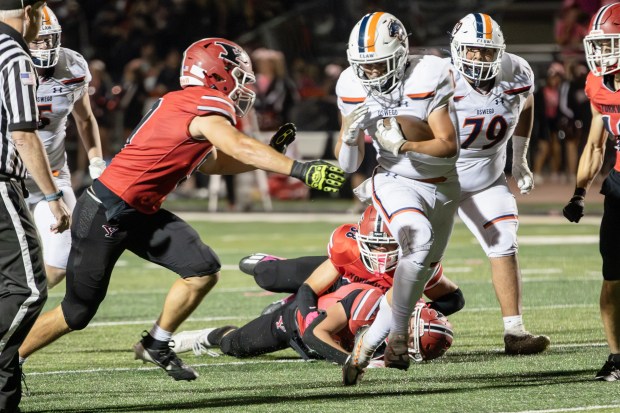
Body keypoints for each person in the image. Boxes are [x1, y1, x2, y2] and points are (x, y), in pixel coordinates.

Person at [17, 37, 345, 382]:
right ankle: (10, 358)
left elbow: (214, 163)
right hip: (106, 211)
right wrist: (298, 168)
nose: (243, 84)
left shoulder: (188, 104)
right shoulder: (202, 103)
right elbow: (236, 145)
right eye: (237, 74)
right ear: (215, 74)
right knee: (77, 312)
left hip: (138, 210)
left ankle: (156, 343)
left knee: (202, 269)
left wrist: (267, 154)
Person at [171, 205, 463, 365]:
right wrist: (309, 312)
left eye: (389, 248)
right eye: (375, 246)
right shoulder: (347, 249)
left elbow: (454, 300)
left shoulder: (414, 266)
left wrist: (412, 314)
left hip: (351, 300)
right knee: (268, 277)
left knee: (240, 344)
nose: (382, 255)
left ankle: (282, 312)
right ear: (361, 240)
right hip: (339, 275)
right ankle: (271, 269)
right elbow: (310, 289)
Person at [335, 12, 461, 379]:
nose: (371, 74)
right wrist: (350, 137)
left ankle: (369, 342)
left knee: (417, 272)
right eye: (365, 67)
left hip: (443, 183)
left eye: (379, 65)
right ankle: (397, 337)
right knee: (417, 241)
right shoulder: (350, 84)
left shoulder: (427, 74)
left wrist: (405, 143)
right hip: (392, 179)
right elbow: (348, 165)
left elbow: (449, 147)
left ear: (401, 55)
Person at [447, 13, 550, 355]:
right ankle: (394, 329)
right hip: (438, 178)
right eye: (471, 50)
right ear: (457, 49)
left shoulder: (517, 71)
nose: (478, 58)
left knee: (504, 240)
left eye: (486, 51)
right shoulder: (439, 79)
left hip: (487, 178)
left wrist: (518, 158)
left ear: (500, 52)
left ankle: (515, 332)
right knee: (417, 251)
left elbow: (528, 102)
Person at [0, 1, 71, 412]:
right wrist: (52, 197)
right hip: (1, 184)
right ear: (27, 12)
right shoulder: (13, 54)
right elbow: (24, 136)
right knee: (27, 290)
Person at [25, 4, 105, 289]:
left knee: (60, 263)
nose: (43, 45)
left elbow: (85, 120)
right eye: (36, 39)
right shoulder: (6, 66)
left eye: (48, 38)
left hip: (54, 173)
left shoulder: (72, 65)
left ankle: (13, 307)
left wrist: (96, 161)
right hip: (8, 174)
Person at [563, 2, 620, 382]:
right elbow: (596, 145)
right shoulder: (599, 85)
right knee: (613, 276)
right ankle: (618, 358)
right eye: (600, 44)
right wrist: (580, 191)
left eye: (611, 43)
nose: (602, 52)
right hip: (618, 187)